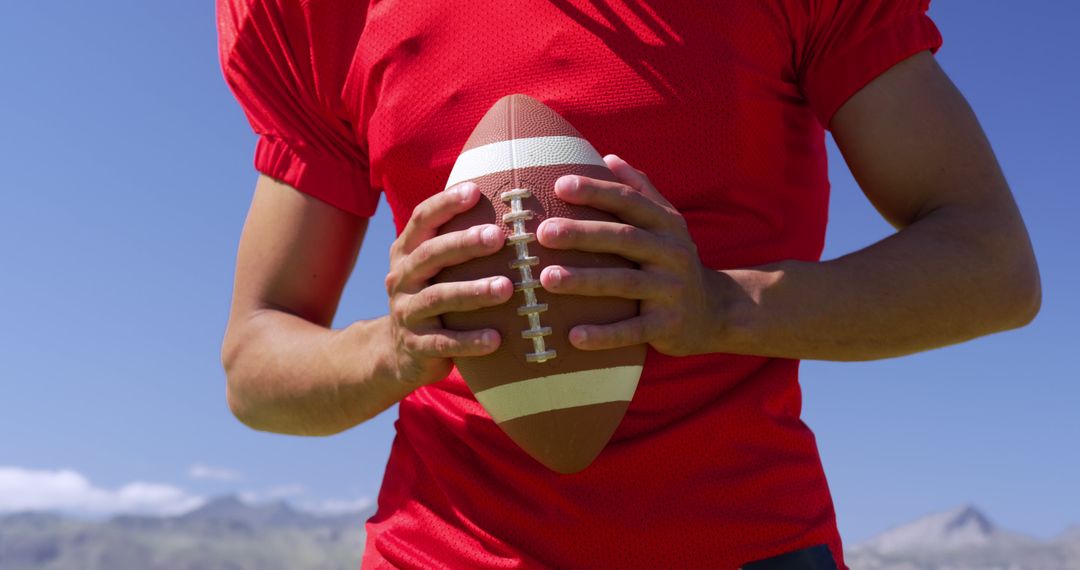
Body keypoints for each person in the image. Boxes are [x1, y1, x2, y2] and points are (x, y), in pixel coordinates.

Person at [215, 1, 1040, 568]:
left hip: (742, 543)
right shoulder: (326, 14)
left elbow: (989, 262)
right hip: (443, 546)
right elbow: (255, 366)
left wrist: (724, 305)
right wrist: (391, 349)